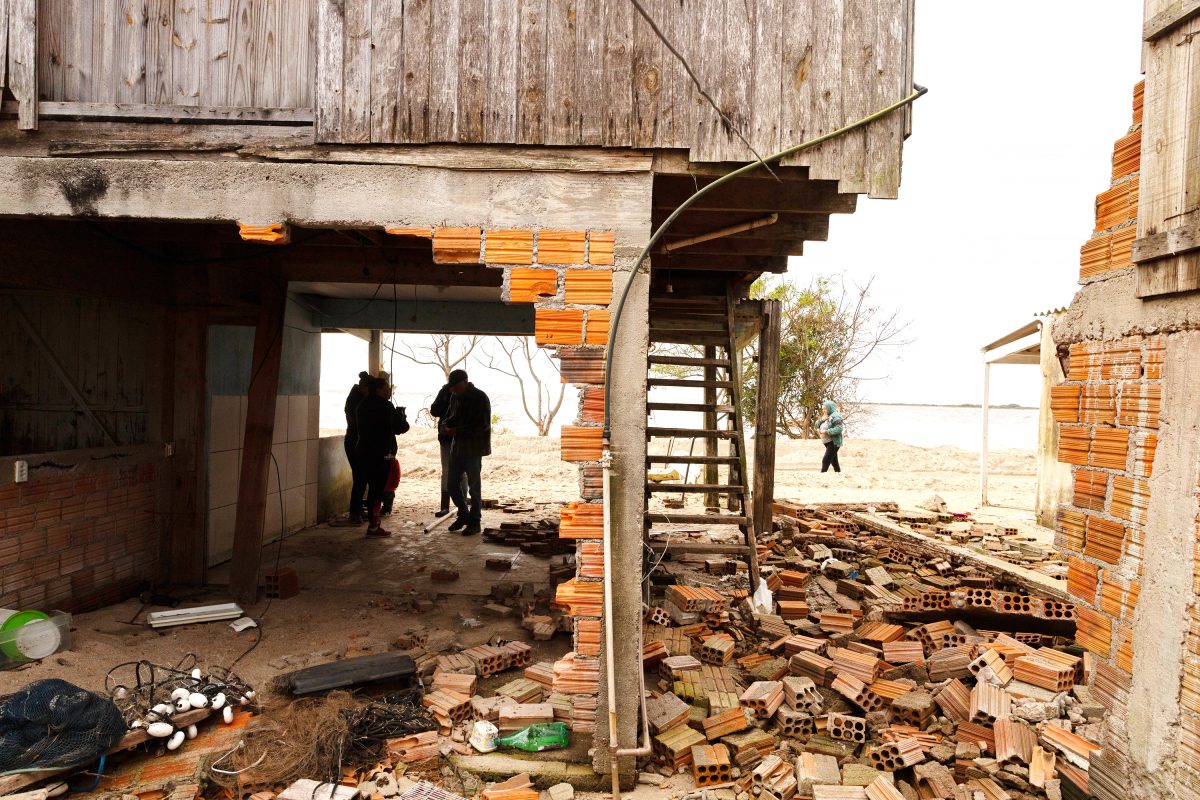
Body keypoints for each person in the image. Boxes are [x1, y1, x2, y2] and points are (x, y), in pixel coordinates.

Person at [441, 369, 491, 536]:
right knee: (451, 485)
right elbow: (449, 416)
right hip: (457, 448)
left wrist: (457, 431)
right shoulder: (455, 397)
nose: (453, 390)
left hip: (473, 448)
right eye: (452, 387)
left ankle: (475, 522)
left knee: (474, 487)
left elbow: (482, 425)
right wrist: (446, 427)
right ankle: (463, 514)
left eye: (456, 386)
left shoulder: (480, 397)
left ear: (465, 382)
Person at [355, 377, 400, 537]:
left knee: (368, 487)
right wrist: (401, 414)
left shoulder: (362, 405)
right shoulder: (386, 406)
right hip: (381, 454)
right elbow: (401, 427)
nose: (389, 390)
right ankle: (374, 526)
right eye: (387, 387)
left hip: (363, 452)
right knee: (377, 491)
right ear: (379, 389)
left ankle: (370, 522)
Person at [430, 380, 469, 518]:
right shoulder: (444, 392)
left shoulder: (468, 395)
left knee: (462, 472)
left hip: (462, 437)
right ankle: (444, 507)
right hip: (446, 437)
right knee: (446, 471)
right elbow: (434, 410)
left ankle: (463, 507)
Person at [344, 371, 371, 523]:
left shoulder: (357, 397)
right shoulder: (356, 401)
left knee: (361, 477)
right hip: (354, 442)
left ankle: (357, 510)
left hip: (354, 441)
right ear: (364, 388)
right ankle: (355, 512)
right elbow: (358, 424)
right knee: (360, 477)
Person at [818, 399, 844, 474]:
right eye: (822, 409)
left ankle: (822, 474)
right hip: (827, 442)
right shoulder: (826, 415)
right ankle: (838, 473)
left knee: (826, 460)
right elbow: (816, 424)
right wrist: (821, 420)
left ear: (830, 407)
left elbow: (839, 428)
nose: (823, 410)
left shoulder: (836, 416)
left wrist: (826, 432)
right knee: (834, 461)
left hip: (834, 442)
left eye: (825, 408)